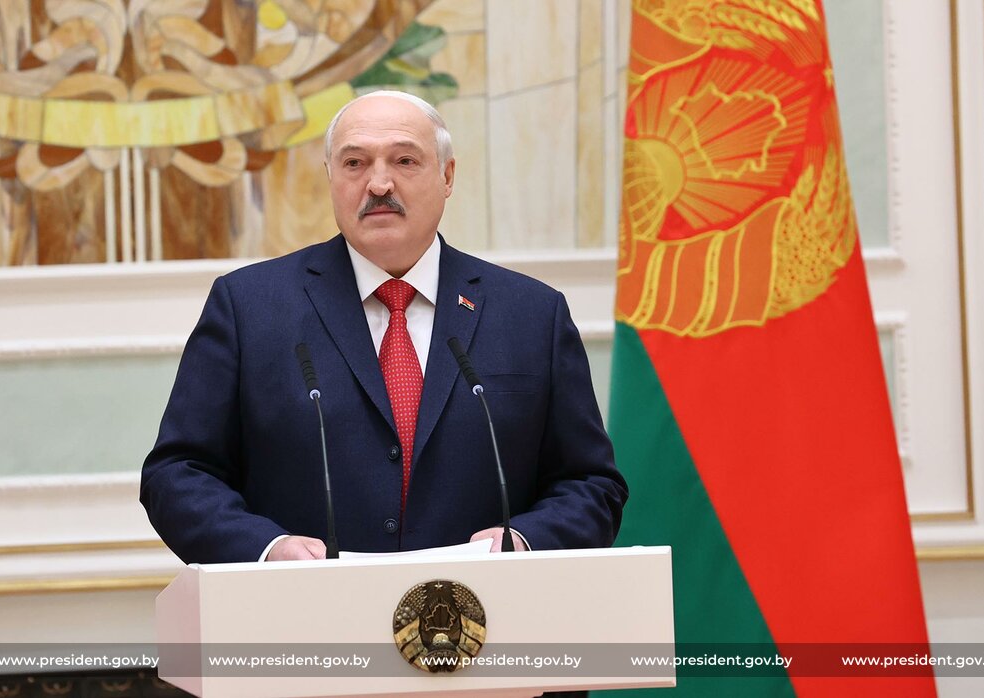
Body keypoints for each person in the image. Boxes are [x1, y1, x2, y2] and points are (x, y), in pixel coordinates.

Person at [141, 90, 626, 564]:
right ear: (331, 177)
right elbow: (177, 473)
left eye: (404, 161)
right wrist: (267, 549)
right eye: (354, 163)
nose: (378, 184)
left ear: (447, 175)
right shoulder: (248, 307)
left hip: (486, 611)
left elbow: (590, 484)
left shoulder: (532, 314)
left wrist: (523, 541)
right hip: (304, 609)